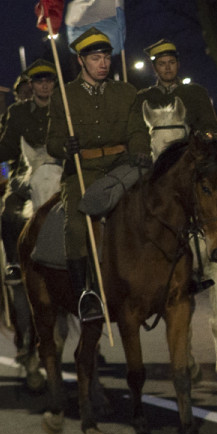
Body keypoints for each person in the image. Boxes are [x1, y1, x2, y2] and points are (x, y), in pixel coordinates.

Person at [45, 27, 151, 321]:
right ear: (81, 61)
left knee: (158, 206)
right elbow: (51, 142)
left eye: (106, 57)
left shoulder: (126, 91)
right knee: (77, 226)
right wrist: (65, 147)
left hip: (122, 166)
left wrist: (141, 150)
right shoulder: (63, 97)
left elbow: (138, 130)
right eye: (95, 58)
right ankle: (84, 295)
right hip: (83, 171)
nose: (103, 63)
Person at [0, 59, 58, 281]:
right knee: (9, 212)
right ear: (32, 85)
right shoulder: (17, 112)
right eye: (38, 82)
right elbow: (8, 147)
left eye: (48, 81)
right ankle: (14, 262)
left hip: (61, 167)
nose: (44, 86)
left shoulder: (65, 106)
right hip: (26, 172)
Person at [138, 40, 217, 135]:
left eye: (172, 62)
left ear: (178, 64)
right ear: (154, 67)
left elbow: (210, 125)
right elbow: (138, 132)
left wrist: (207, 136)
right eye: (162, 64)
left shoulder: (195, 93)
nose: (168, 67)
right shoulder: (144, 98)